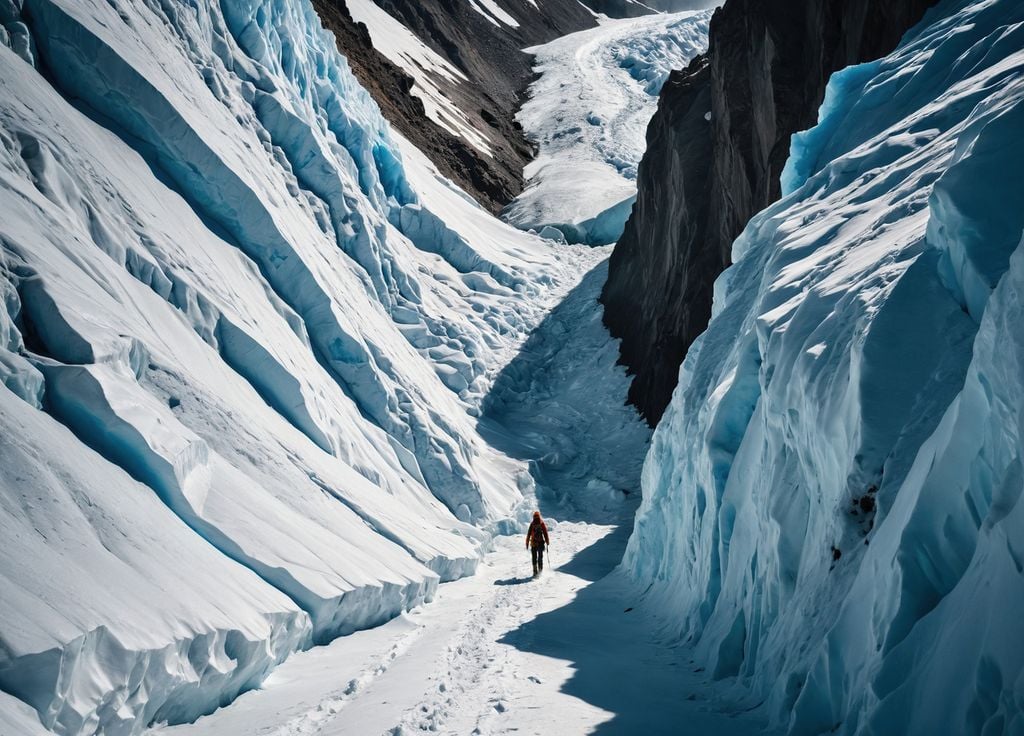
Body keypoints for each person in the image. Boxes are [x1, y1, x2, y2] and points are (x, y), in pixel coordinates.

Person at [525, 511, 549, 577]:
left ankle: (535, 572)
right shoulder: (541, 523)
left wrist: (527, 543)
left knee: (534, 557)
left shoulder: (532, 524)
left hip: (533, 543)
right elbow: (545, 533)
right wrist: (547, 541)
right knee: (540, 557)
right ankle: (540, 571)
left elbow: (528, 534)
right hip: (540, 543)